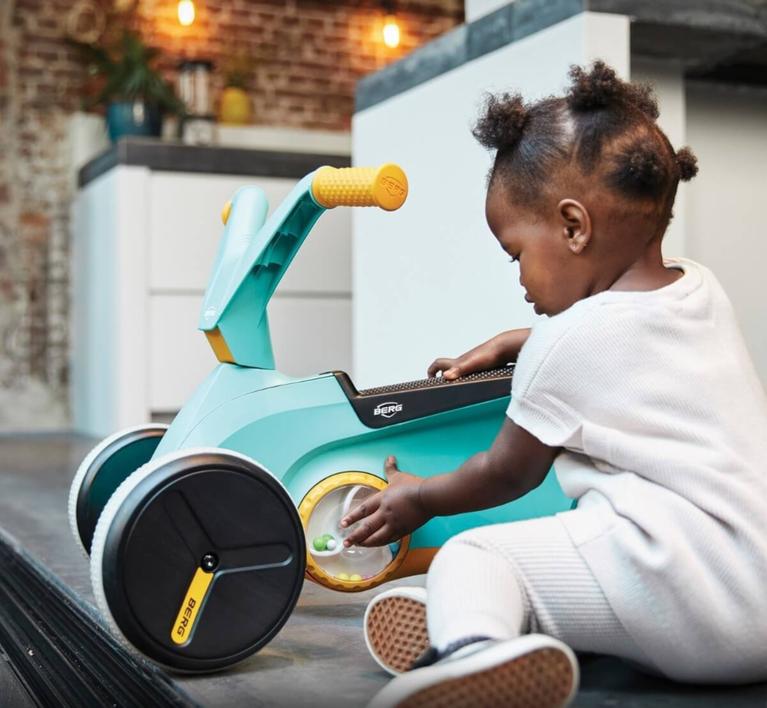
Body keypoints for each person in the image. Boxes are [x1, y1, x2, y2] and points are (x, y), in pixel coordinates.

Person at [339, 61, 767, 708]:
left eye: (516, 254)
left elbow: (503, 473)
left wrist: (419, 498)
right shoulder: (697, 286)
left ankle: (472, 649)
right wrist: (527, 338)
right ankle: (494, 625)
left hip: (687, 598)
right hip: (750, 597)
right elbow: (622, 345)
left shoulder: (569, 345)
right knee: (567, 565)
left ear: (572, 227)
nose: (519, 280)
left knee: (475, 554)